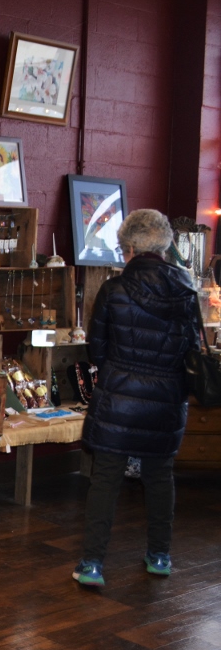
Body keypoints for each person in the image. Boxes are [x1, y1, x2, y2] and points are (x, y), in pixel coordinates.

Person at [74, 209, 198, 588]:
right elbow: (190, 349)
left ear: (127, 247)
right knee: (160, 478)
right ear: (165, 245)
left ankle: (93, 564)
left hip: (119, 397)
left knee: (106, 479)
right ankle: (160, 555)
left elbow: (96, 350)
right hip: (166, 400)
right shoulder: (187, 291)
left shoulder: (114, 290)